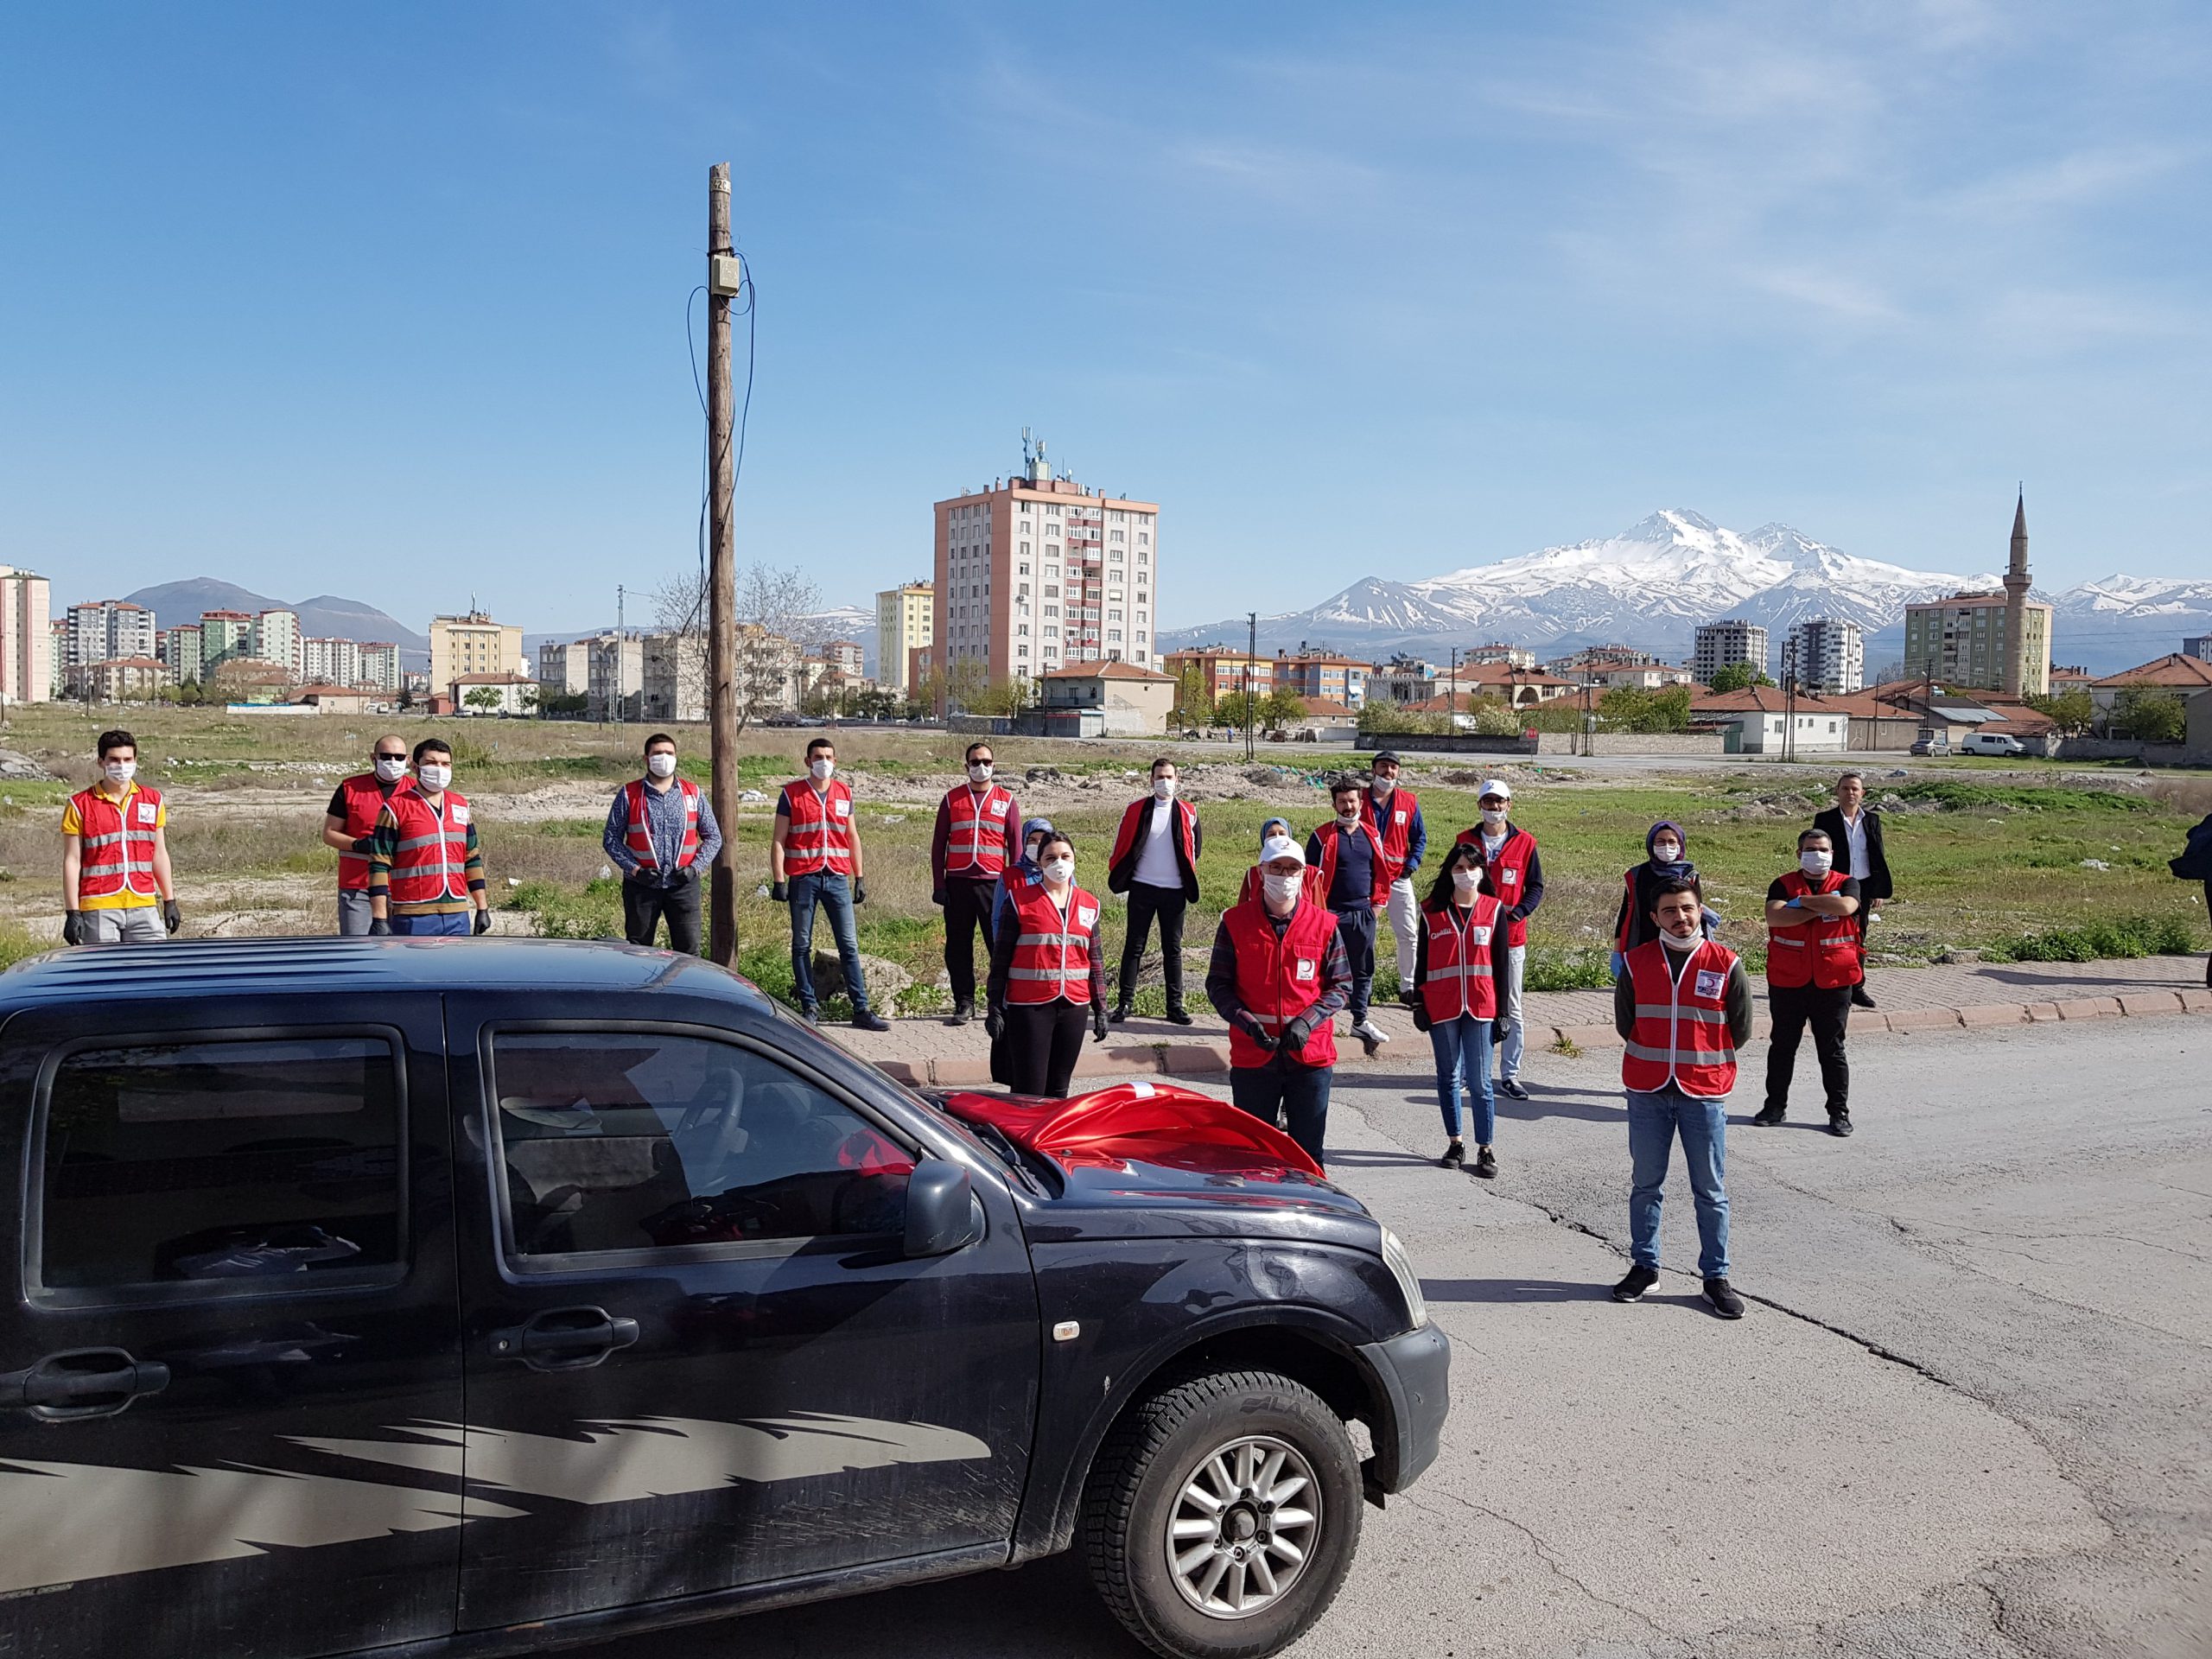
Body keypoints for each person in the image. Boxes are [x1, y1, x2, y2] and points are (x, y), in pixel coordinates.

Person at [1610, 875, 1754, 1319]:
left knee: (1710, 1190)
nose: (1680, 917)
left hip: (1703, 1092)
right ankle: (1645, 1267)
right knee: (1645, 1185)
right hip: (1648, 1090)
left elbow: (1741, 1027)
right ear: (1655, 917)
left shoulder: (1725, 962)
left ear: (1700, 911)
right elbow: (1625, 1022)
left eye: (1688, 908)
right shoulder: (1636, 963)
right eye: (1670, 910)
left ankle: (1716, 1277)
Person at [1205, 835, 1351, 1168]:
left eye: (1292, 869)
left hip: (1309, 1058)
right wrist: (1247, 1022)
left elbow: (1342, 985)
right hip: (1254, 1056)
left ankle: (1309, 1215)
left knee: (1308, 1156)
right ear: (1261, 872)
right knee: (1252, 1155)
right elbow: (1218, 984)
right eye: (1277, 868)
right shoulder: (1234, 923)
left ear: (1303, 874)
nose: (1284, 877)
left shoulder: (1325, 925)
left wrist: (1308, 1020)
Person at [769, 737, 891, 1031]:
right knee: (801, 945)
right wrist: (778, 879)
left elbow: (852, 837)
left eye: (828, 757)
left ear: (835, 761)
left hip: (837, 877)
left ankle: (861, 1009)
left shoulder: (843, 793)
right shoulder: (792, 794)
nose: (824, 761)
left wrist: (859, 876)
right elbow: (778, 839)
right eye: (818, 756)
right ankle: (809, 1006)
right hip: (804, 878)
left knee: (849, 946)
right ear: (808, 761)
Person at [1753, 828, 1861, 1137]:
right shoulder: (1783, 883)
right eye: (1811, 849)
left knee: (1832, 1049)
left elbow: (1846, 908)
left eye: (1823, 849)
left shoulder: (1847, 883)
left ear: (1832, 854)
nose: (1818, 854)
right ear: (1800, 854)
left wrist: (1800, 904)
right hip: (1789, 980)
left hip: (1834, 980)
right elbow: (1775, 918)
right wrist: (1820, 904)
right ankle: (1775, 1106)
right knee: (1783, 1046)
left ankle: (1838, 1112)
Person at [986, 831, 1107, 1096]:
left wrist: (1101, 1008)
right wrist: (994, 1005)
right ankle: (1019, 1137)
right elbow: (1000, 959)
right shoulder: (1019, 901)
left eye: (1065, 856)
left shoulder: (1089, 905)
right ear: (1040, 863)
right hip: (1030, 1008)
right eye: (1050, 858)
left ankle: (1051, 1138)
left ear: (1074, 861)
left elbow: (1095, 961)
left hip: (1074, 1007)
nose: (1058, 863)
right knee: (1029, 1089)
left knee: (1059, 1089)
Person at [1410, 841, 1503, 1174]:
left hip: (1480, 1005)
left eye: (1471, 868)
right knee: (1448, 1077)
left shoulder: (1493, 909)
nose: (1465, 874)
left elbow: (1501, 964)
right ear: (1450, 872)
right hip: (1442, 1005)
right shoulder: (1432, 911)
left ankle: (1486, 1148)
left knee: (1480, 1082)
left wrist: (1503, 1012)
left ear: (1481, 872)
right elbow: (1422, 961)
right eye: (1458, 868)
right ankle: (1455, 1142)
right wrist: (1418, 1001)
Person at [1456, 779, 1543, 1098]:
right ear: (1479, 805)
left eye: (1499, 802)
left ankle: (1510, 1074)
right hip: (1473, 936)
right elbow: (1454, 878)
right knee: (1471, 1004)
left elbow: (1535, 886)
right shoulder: (1465, 840)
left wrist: (1520, 912)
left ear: (1509, 805)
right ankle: (1469, 1073)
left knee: (1512, 1007)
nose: (1493, 808)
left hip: (1511, 939)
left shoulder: (1525, 843)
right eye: (1487, 802)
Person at [601, 732, 723, 954]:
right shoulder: (629, 794)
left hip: (683, 886)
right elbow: (611, 839)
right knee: (637, 950)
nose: (664, 758)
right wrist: (636, 870)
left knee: (689, 951)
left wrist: (694, 868)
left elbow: (714, 837)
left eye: (669, 753)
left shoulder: (693, 794)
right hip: (642, 887)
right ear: (646, 759)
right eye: (658, 753)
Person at [1105, 757, 1202, 1025]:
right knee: (1134, 946)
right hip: (1142, 888)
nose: (1165, 782)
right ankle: (1124, 1003)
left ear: (1177, 780)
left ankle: (1175, 1006)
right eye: (1160, 777)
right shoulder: (1136, 809)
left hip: (1175, 891)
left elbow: (1195, 850)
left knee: (1173, 949)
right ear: (1151, 780)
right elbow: (1123, 843)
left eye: (1169, 777)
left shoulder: (1188, 812)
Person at [931, 741, 1022, 1025]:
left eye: (986, 761)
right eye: (975, 762)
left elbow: (1016, 849)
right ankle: (964, 1002)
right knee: (958, 947)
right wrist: (939, 885)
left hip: (993, 886)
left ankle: (1000, 1001)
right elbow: (938, 846)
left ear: (994, 765)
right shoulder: (951, 799)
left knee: (998, 945)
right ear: (966, 766)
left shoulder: (1007, 801)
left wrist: (1016, 890)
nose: (981, 767)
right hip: (957, 884)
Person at [60, 728, 179, 945]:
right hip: (98, 906)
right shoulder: (79, 805)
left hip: (143, 903)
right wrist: (72, 912)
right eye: (114, 760)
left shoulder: (153, 800)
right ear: (101, 762)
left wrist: (169, 899)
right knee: (104, 975)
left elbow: (159, 853)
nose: (122, 766)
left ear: (135, 760)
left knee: (153, 971)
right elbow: (72, 860)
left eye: (127, 759)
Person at [366, 738, 489, 938]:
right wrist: (379, 918)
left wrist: (482, 907)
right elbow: (379, 864)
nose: (439, 769)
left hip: (457, 913)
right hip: (413, 914)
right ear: (415, 767)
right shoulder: (395, 807)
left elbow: (472, 859)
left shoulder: (461, 806)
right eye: (432, 763)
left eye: (445, 764)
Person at [1306, 776, 1392, 1056]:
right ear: (1334, 804)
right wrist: (1320, 916)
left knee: (1363, 968)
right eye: (1342, 801)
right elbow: (1309, 879)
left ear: (1360, 802)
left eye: (1352, 800)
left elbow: (1381, 873)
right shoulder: (1321, 836)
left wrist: (1377, 906)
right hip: (1332, 914)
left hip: (1363, 912)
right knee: (1327, 970)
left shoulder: (1372, 834)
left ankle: (1360, 1020)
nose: (1347, 806)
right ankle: (1319, 1021)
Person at [1812, 771, 1890, 1009]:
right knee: (1830, 932)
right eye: (1845, 788)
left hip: (1863, 884)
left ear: (1862, 793)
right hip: (1837, 885)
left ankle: (1856, 986)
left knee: (1858, 935)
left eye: (1855, 789)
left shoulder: (1872, 820)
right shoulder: (1825, 819)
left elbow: (1877, 854)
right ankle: (1826, 982)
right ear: (1837, 792)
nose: (1850, 793)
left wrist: (1877, 889)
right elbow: (1816, 853)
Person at [989, 816, 1055, 1084]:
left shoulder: (1060, 875)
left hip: (1051, 969)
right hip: (1018, 967)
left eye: (1043, 842)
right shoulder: (1010, 876)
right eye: (1032, 841)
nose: (1037, 846)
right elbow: (996, 920)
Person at [324, 734, 411, 936]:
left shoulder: (417, 791)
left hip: (403, 887)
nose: (393, 762)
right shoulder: (349, 789)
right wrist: (359, 844)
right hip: (358, 887)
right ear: (373, 758)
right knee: (358, 950)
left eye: (398, 757)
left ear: (408, 760)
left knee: (405, 951)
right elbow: (329, 834)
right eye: (386, 756)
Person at [1363, 751, 1428, 999]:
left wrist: (1411, 865)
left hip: (1398, 880)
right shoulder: (1359, 799)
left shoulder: (1409, 802)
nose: (1388, 772)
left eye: (1393, 767)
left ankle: (1408, 987)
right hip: (1367, 880)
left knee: (1409, 934)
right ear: (1373, 770)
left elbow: (1419, 837)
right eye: (1383, 766)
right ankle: (1363, 988)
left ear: (1398, 772)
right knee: (1365, 933)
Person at [1610, 821, 1710, 977]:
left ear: (1680, 845)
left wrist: (1705, 946)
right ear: (1651, 845)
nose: (1666, 846)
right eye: (1661, 842)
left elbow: (1698, 914)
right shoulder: (1637, 875)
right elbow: (1625, 913)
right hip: (1643, 944)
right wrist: (1617, 952)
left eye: (1672, 842)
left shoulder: (1689, 875)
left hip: (1680, 943)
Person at [1236, 818, 1325, 906]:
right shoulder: (1252, 875)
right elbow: (1242, 910)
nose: (1277, 837)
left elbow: (1319, 913)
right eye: (1271, 834)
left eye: (1282, 833)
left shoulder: (1311, 875)